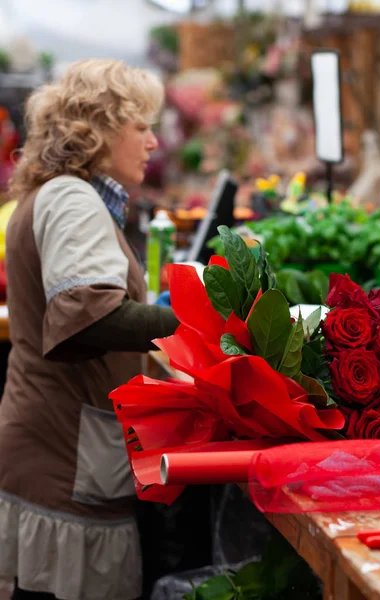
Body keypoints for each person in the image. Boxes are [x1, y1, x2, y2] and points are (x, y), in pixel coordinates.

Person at [0, 59, 181, 600]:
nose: (153, 142)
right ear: (99, 130)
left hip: (52, 438)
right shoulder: (73, 199)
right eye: (142, 126)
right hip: (63, 450)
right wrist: (211, 321)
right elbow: (93, 316)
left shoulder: (61, 194)